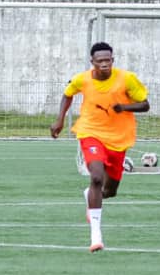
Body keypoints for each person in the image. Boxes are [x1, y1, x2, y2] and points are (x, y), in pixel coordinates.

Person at [50, 41, 149, 252]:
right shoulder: (82, 79)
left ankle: (90, 196)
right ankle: (96, 235)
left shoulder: (126, 79)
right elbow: (67, 94)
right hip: (90, 132)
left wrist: (124, 107)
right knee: (96, 176)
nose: (104, 64)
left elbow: (145, 104)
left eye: (108, 60)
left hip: (118, 138)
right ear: (92, 62)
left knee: (110, 190)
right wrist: (59, 120)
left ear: (113, 60)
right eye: (100, 61)